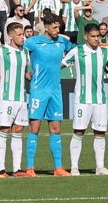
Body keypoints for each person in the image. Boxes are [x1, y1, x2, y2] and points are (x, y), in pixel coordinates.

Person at [21, 11, 75, 176]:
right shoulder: (33, 42)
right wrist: (26, 72)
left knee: (56, 128)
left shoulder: (62, 42)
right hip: (38, 90)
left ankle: (58, 168)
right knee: (34, 127)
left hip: (56, 91)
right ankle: (30, 168)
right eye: (55, 27)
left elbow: (78, 51)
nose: (58, 30)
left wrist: (102, 45)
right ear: (46, 26)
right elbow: (18, 55)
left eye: (59, 27)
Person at [63, 22, 108, 175]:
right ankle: (74, 167)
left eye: (98, 36)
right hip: (82, 99)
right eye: (93, 36)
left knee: (100, 132)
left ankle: (100, 167)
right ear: (86, 37)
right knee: (79, 132)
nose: (96, 39)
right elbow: (61, 64)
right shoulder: (77, 51)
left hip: (100, 99)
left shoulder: (105, 53)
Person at [0, 21, 30, 176]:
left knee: (18, 131)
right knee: (4, 130)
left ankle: (17, 168)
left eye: (23, 34)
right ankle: (1, 168)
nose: (22, 38)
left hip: (22, 98)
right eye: (19, 35)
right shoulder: (1, 51)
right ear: (10, 36)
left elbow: (27, 74)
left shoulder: (25, 52)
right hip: (6, 98)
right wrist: (0, 78)